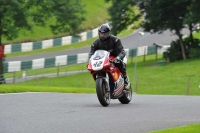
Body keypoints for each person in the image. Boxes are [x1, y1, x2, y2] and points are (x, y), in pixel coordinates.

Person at [89, 23, 130, 89]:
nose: (103, 36)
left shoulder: (115, 40)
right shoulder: (95, 44)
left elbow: (122, 51)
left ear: (108, 33)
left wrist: (118, 58)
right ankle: (102, 83)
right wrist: (90, 61)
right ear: (99, 33)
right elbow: (91, 54)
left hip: (117, 56)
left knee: (120, 63)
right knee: (97, 69)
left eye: (105, 34)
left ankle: (125, 79)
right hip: (105, 59)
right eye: (101, 34)